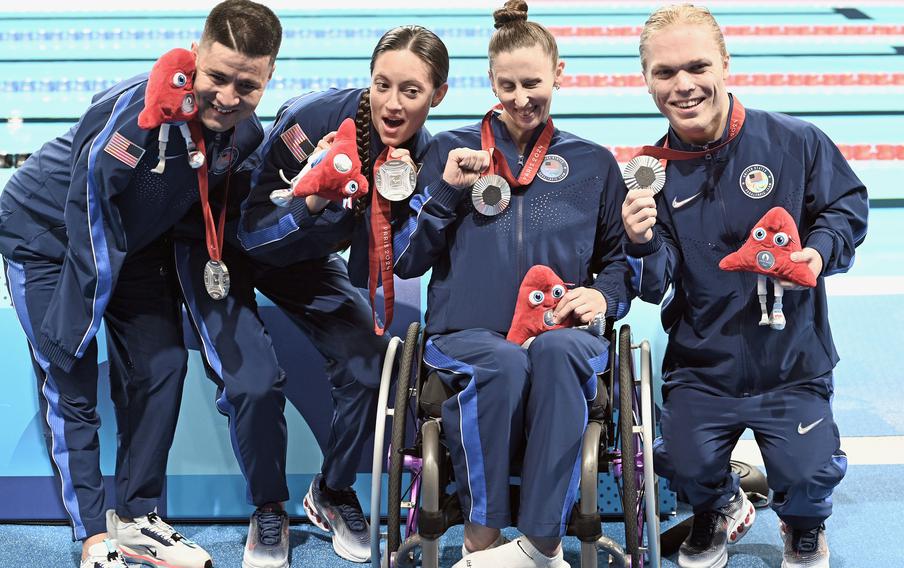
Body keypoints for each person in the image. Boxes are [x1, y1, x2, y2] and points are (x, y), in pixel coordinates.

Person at [0, 1, 281, 567]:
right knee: (70, 374)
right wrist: (77, 320)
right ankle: (94, 538)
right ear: (195, 58)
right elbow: (90, 209)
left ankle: (136, 518)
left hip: (129, 243)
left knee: (162, 365)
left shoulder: (243, 133)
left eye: (247, 84)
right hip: (48, 234)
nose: (228, 96)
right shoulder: (137, 114)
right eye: (218, 77)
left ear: (270, 75)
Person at [173, 25, 449, 565]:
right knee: (253, 384)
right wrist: (311, 201)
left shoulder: (421, 157)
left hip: (301, 259)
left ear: (437, 95)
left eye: (411, 91)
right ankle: (268, 507)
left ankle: (331, 491)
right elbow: (251, 232)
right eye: (382, 85)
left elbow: (378, 256)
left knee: (370, 364)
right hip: (224, 247)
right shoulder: (313, 119)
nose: (392, 104)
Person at [621, 4, 868, 568]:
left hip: (792, 364)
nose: (682, 85)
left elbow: (846, 208)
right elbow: (656, 281)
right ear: (646, 80)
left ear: (725, 63)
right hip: (702, 366)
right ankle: (720, 503)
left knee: (809, 473)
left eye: (696, 66)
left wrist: (820, 249)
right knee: (675, 460)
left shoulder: (794, 142)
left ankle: (803, 527)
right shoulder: (648, 172)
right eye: (664, 73)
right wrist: (639, 242)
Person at [393, 2, 634, 567]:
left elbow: (622, 263)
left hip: (564, 334)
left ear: (560, 74)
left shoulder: (594, 164)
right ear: (491, 81)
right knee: (503, 361)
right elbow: (406, 259)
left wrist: (603, 296)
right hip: (466, 337)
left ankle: (540, 544)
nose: (521, 98)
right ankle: (482, 536)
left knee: (552, 351)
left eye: (533, 83)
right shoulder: (445, 153)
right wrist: (447, 192)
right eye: (508, 85)